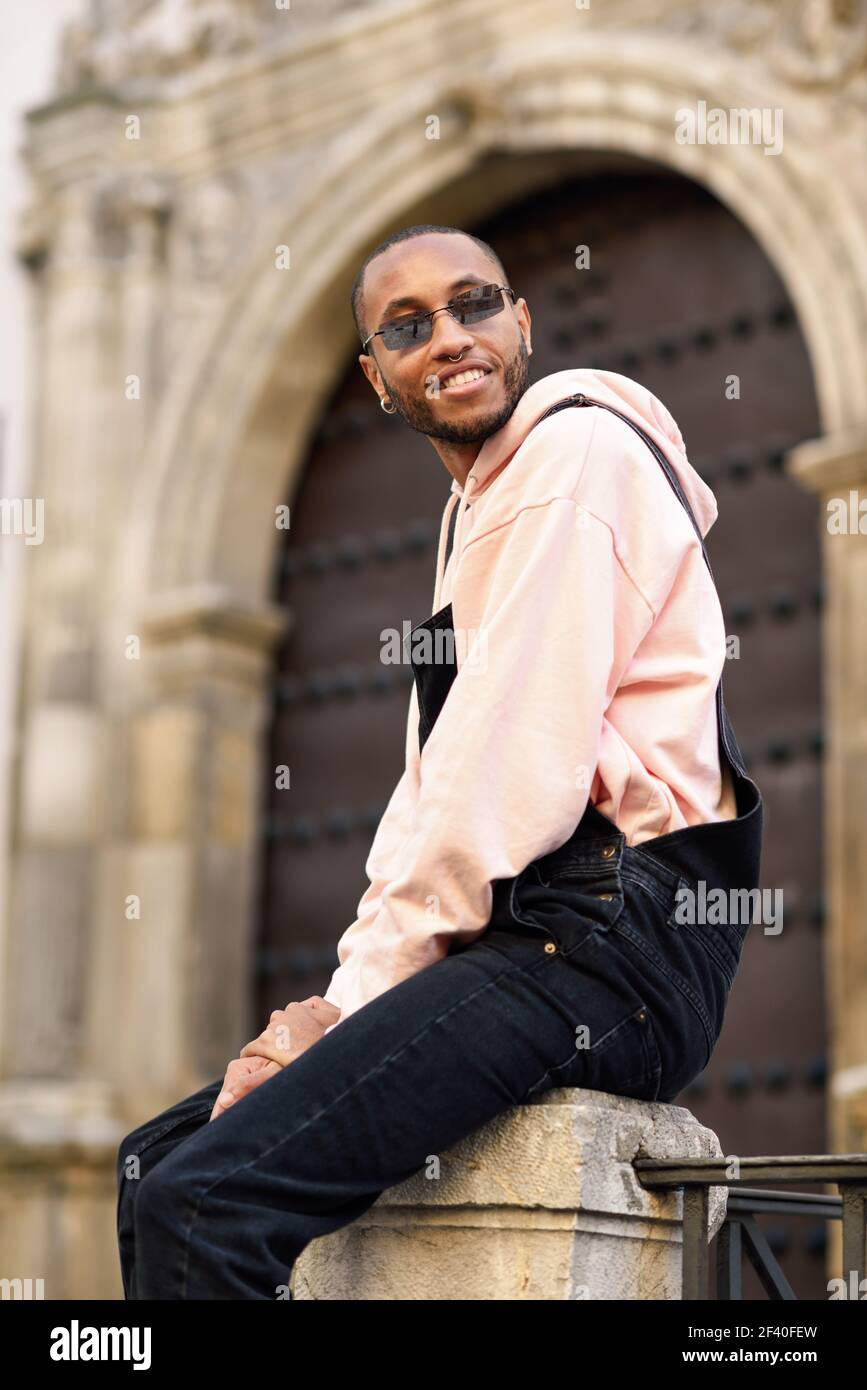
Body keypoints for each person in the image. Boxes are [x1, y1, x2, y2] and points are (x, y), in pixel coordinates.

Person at [117, 224, 763, 1299]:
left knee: (203, 1202)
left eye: (475, 304)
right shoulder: (474, 514)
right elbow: (432, 792)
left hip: (613, 951)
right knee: (155, 1165)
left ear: (523, 321)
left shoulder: (571, 462)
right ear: (376, 377)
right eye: (408, 327)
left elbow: (504, 777)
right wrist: (335, 1004)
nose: (451, 338)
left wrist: (344, 1010)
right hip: (534, 941)